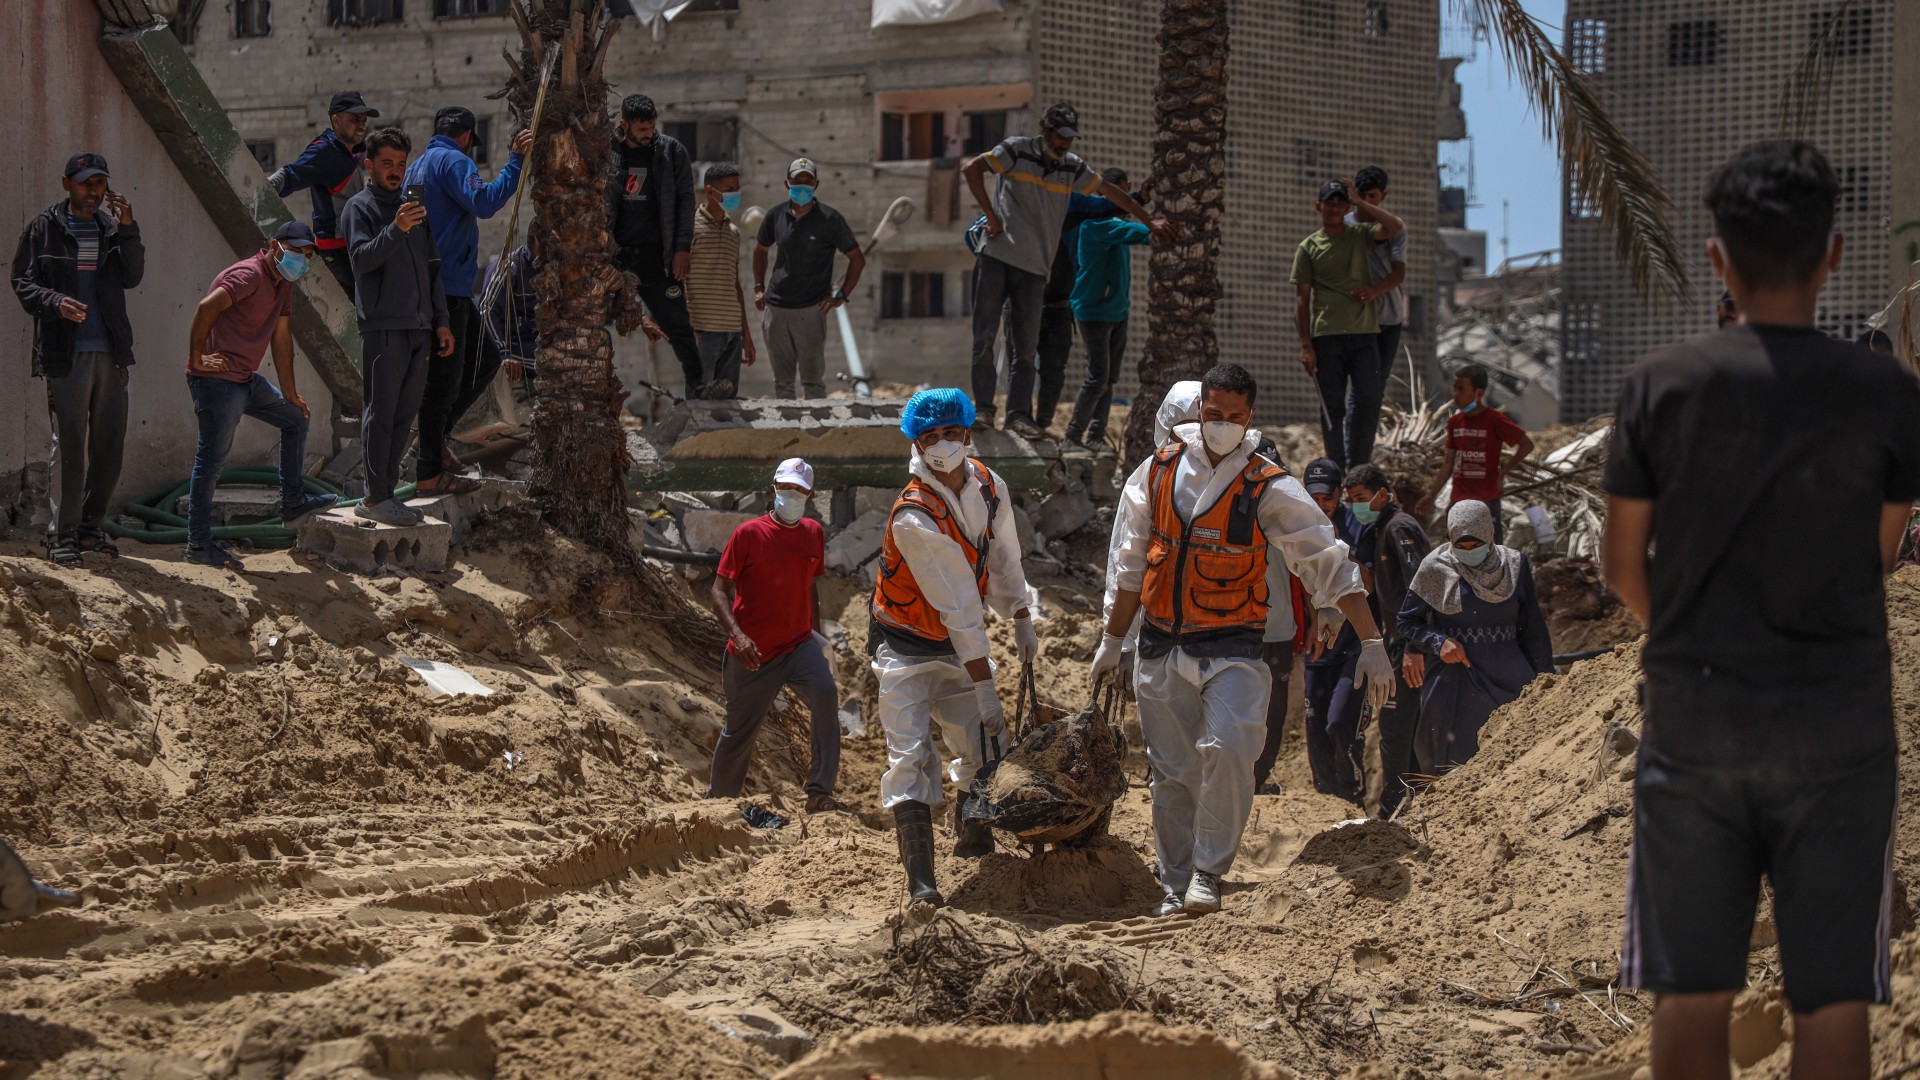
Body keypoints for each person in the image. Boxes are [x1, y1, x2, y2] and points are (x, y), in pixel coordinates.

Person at [1600, 140, 1920, 1080]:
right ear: (1832, 255)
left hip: (1696, 721)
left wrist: (1699, 636)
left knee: (1690, 1004)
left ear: (1715, 259)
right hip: (1840, 724)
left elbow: (1623, 568)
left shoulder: (1660, 387)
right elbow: (1880, 548)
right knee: (1831, 1009)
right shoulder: (1891, 396)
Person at [1092, 363, 1393, 917]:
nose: (1222, 425)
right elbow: (1130, 562)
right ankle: (1174, 879)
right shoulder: (1155, 474)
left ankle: (1209, 871)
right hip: (1160, 645)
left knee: (1230, 751)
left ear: (1249, 417)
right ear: (1200, 410)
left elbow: (1325, 559)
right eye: (1213, 414)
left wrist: (1372, 641)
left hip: (1233, 647)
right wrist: (1114, 638)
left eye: (1234, 417)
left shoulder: (1267, 484)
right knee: (1172, 771)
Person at [872, 388, 1036, 907]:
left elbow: (1005, 554)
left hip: (955, 643)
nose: (943, 444)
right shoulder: (914, 516)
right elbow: (960, 605)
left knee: (982, 742)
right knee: (910, 754)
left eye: (951, 433)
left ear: (968, 433)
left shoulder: (987, 485)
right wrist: (985, 683)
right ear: (916, 444)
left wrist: (1022, 613)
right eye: (930, 437)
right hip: (905, 645)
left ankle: (973, 837)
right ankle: (923, 882)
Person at [963, 104, 1168, 436]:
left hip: (1034, 270)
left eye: (1070, 139)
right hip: (998, 258)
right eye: (1060, 137)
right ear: (1045, 130)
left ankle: (1018, 416)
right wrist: (992, 214)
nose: (1065, 144)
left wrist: (1148, 216)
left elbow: (1110, 195)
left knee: (1027, 351)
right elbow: (972, 169)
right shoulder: (1015, 150)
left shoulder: (1071, 169)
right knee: (984, 338)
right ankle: (984, 411)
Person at [11, 152, 144, 566]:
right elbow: (22, 281)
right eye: (86, 183)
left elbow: (132, 276)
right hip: (65, 354)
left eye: (100, 184)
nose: (94, 191)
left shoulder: (110, 228)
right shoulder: (44, 229)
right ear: (67, 183)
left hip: (110, 352)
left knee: (108, 448)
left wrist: (128, 228)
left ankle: (90, 529)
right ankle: (61, 535)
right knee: (69, 448)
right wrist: (55, 302)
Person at [183, 221, 340, 569]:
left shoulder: (282, 285)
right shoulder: (249, 275)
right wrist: (197, 359)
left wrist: (290, 393)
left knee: (295, 417)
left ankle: (293, 504)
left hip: (244, 379)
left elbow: (281, 339)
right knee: (211, 462)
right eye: (296, 251)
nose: (301, 259)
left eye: (307, 255)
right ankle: (198, 545)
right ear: (274, 245)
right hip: (217, 381)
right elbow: (207, 308)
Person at [405, 105, 530, 496]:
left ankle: (432, 439)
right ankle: (428, 468)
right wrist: (516, 162)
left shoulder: (418, 167)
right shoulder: (454, 161)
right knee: (445, 382)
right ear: (466, 137)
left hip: (433, 285)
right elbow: (485, 203)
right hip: (449, 289)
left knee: (485, 360)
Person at [707, 458, 843, 813]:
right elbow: (719, 590)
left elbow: (810, 585)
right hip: (753, 653)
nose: (791, 494)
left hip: (798, 644)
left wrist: (817, 634)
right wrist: (737, 635)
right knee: (739, 732)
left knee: (826, 695)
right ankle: (719, 804)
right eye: (786, 488)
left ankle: (819, 792)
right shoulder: (748, 534)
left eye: (799, 490)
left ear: (810, 495)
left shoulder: (814, 532)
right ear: (773, 490)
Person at [344, 127, 454, 527]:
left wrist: (440, 321)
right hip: (383, 327)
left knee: (404, 414)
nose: (395, 171)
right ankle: (374, 498)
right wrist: (396, 229)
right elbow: (361, 261)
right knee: (380, 412)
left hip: (419, 327)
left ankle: (387, 494)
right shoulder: (361, 208)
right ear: (368, 165)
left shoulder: (415, 210)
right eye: (387, 164)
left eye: (401, 164)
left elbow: (433, 271)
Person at [1398, 500, 1551, 771]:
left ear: (1489, 535)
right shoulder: (1435, 567)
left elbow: (1533, 629)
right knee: (1452, 765)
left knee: (1516, 759)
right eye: (1461, 546)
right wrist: (1439, 642)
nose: (1468, 552)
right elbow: (1408, 621)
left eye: (1475, 545)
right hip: (1456, 682)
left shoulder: (1514, 565)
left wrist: (1546, 681)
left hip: (1510, 678)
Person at [1291, 179, 1405, 469]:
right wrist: (1306, 346)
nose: (1334, 208)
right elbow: (1302, 300)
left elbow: (1394, 227)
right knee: (1332, 406)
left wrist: (1360, 202)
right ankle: (1337, 467)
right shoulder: (1308, 247)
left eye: (1341, 203)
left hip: (1365, 333)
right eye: (1329, 202)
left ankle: (1359, 465)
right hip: (1327, 334)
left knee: (1368, 397)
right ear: (1319, 206)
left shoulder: (1360, 235)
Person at [1342, 462, 1430, 817]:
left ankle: (1392, 811)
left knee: (1396, 728)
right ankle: (1409, 805)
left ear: (1382, 493)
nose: (1356, 506)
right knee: (1403, 729)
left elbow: (1420, 587)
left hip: (1409, 646)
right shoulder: (1381, 529)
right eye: (1351, 500)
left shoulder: (1400, 527)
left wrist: (1414, 647)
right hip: (1398, 643)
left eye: (1361, 498)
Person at [608, 95, 704, 399]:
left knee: (677, 322)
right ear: (625, 125)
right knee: (594, 315)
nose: (648, 134)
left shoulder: (670, 152)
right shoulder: (609, 152)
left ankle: (698, 386)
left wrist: (681, 248)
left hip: (657, 255)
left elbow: (686, 202)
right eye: (641, 129)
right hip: (616, 255)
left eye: (652, 127)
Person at [752, 159, 864, 400]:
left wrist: (841, 295)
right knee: (782, 383)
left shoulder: (830, 219)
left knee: (812, 382)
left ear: (816, 184)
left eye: (807, 181)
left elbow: (857, 259)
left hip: (811, 310)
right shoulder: (775, 216)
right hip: (777, 308)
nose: (802, 185)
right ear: (787, 183)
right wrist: (759, 288)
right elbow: (760, 250)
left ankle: (816, 435)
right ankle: (788, 434)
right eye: (797, 181)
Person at [1062, 169, 1150, 456]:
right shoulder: (1097, 224)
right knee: (1097, 376)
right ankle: (1074, 437)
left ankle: (1095, 436)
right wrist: (1159, 225)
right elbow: (1141, 234)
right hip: (1094, 311)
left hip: (1116, 311)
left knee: (1108, 377)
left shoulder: (1112, 222)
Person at [1296, 456, 1366, 802]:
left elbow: (1367, 584)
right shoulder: (1299, 524)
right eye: (1314, 498)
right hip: (1318, 644)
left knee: (1340, 722)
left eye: (1328, 498)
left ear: (1340, 493)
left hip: (1353, 645)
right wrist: (1310, 622)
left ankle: (1353, 794)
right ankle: (1326, 802)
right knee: (1315, 728)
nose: (1321, 506)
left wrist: (1341, 557)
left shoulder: (1355, 527)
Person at [267, 90, 378, 296]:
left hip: (351, 245)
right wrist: (260, 192)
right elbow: (292, 174)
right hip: (336, 251)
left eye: (363, 120)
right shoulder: (325, 150)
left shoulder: (348, 151)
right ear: (336, 121)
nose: (362, 125)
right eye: (355, 119)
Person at [1418, 363, 1532, 540]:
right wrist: (1431, 495)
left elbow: (1526, 444)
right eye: (1454, 388)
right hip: (1459, 500)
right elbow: (1448, 464)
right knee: (1456, 549)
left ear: (1478, 393)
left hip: (1486, 500)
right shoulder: (1455, 422)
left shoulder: (1495, 420)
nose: (1455, 394)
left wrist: (1503, 473)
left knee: (1490, 550)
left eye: (1461, 389)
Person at [686, 163, 755, 400]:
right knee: (700, 400)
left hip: (731, 331)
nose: (734, 194)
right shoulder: (689, 228)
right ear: (710, 191)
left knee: (727, 402)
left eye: (737, 188)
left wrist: (745, 333)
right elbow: (678, 277)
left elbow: (734, 284)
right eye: (729, 189)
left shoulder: (733, 232)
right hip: (703, 330)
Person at [1351, 167, 1408, 376]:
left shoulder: (1392, 227)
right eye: (1362, 196)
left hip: (1388, 317)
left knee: (1377, 381)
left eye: (1372, 197)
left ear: (1383, 196)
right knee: (1360, 381)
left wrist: (1375, 291)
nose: (1366, 202)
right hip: (1356, 318)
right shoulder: (1345, 226)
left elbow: (1398, 273)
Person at [482, 243, 536, 400]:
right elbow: (487, 310)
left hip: (544, 355)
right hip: (514, 355)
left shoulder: (555, 268)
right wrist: (503, 353)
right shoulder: (510, 267)